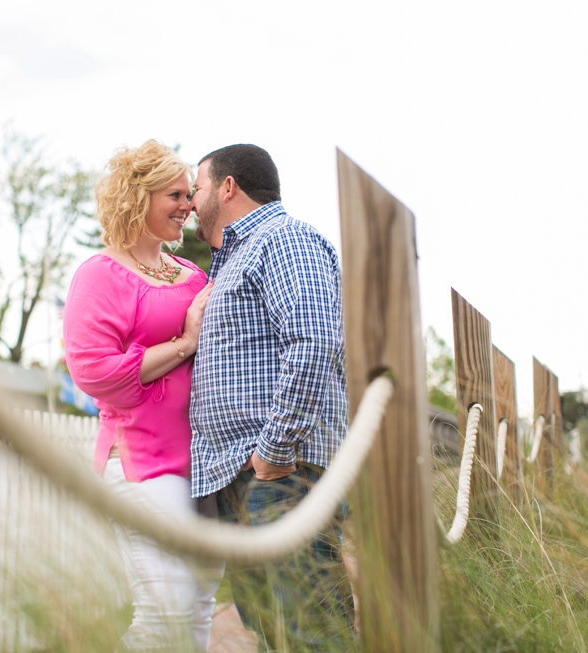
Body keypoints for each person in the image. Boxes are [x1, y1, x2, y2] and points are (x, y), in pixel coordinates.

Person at [188, 144, 354, 651]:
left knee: (313, 631)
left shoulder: (284, 240)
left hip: (282, 475)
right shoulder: (231, 260)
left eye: (196, 188)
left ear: (228, 187)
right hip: (244, 476)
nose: (192, 201)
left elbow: (315, 340)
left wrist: (274, 451)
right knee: (274, 632)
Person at [62, 140, 220, 652]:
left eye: (190, 194)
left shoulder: (194, 276)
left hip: (204, 461)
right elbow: (93, 371)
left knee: (197, 609)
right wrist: (185, 344)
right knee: (165, 608)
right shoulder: (100, 274)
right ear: (138, 197)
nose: (189, 205)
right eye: (175, 194)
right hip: (140, 458)